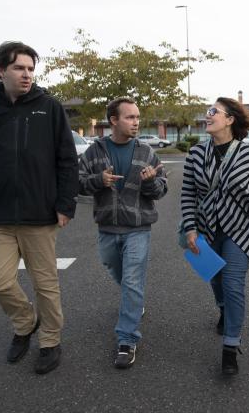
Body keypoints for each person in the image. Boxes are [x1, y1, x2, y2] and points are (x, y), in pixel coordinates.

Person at [0, 41, 79, 374]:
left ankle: (49, 341)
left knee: (46, 284)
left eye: (30, 68)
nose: (27, 74)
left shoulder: (50, 108)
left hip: (40, 215)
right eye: (19, 68)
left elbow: (66, 160)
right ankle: (25, 322)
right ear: (2, 71)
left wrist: (65, 204)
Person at [180, 97, 249, 375]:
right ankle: (223, 308)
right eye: (208, 111)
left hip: (241, 228)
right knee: (215, 279)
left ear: (229, 119)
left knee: (234, 283)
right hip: (205, 228)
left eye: (214, 111)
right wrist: (190, 228)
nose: (208, 115)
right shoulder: (195, 154)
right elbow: (188, 193)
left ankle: (230, 346)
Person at [78, 97, 167, 369]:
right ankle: (134, 300)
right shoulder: (93, 152)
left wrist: (151, 183)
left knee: (131, 280)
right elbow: (76, 183)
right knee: (114, 267)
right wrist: (98, 181)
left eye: (137, 117)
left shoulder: (146, 153)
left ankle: (127, 339)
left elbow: (162, 189)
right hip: (106, 226)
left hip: (138, 228)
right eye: (129, 117)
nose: (136, 122)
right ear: (113, 120)